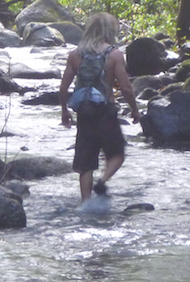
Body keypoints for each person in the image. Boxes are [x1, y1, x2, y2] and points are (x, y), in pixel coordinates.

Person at [59, 13, 141, 201]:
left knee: (85, 164)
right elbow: (126, 87)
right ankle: (102, 181)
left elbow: (63, 87)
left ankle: (86, 205)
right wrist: (135, 110)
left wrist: (64, 110)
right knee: (117, 154)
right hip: (106, 111)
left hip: (84, 113)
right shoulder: (114, 54)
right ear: (110, 31)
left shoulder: (75, 55)